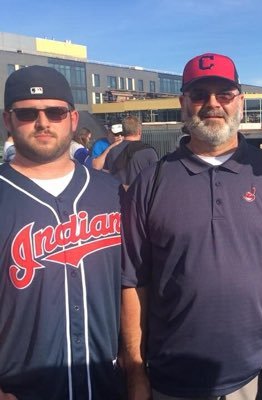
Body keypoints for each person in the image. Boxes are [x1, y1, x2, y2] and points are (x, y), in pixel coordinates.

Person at [121, 53, 262, 400]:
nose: (212, 104)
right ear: (182, 103)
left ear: (240, 101)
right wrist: (134, 368)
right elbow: (133, 281)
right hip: (169, 377)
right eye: (199, 94)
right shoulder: (152, 181)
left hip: (255, 373)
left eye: (224, 94)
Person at [0, 65, 124, 399]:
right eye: (27, 113)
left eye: (54, 112)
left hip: (108, 385)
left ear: (72, 119)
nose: (42, 122)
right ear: (7, 121)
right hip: (23, 389)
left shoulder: (112, 193)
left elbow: (136, 285)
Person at [104, 116, 158, 190]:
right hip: (139, 197)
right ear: (139, 131)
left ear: (123, 131)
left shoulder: (112, 151)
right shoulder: (148, 151)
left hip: (117, 197)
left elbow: (105, 176)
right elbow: (156, 179)